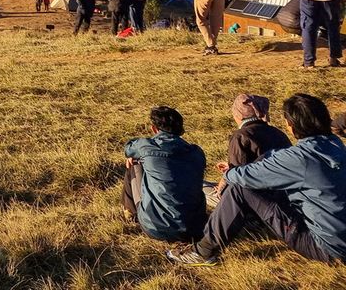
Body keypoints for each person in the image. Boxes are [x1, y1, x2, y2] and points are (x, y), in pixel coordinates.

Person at [168, 93, 346, 266]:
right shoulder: (335, 145)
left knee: (239, 189)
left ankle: (203, 251)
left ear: (290, 125)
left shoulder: (298, 158)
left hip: (326, 246)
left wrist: (230, 172)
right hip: (336, 232)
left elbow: (241, 177)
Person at [123, 106, 207, 243]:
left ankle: (131, 213)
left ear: (154, 128)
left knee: (134, 165)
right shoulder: (197, 152)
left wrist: (140, 158)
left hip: (156, 228)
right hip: (195, 228)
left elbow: (128, 148)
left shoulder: (147, 146)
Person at [207, 93, 291, 204]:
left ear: (238, 115)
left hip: (255, 201)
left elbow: (238, 177)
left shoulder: (240, 137)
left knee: (202, 188)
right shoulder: (278, 133)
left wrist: (222, 187)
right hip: (285, 196)